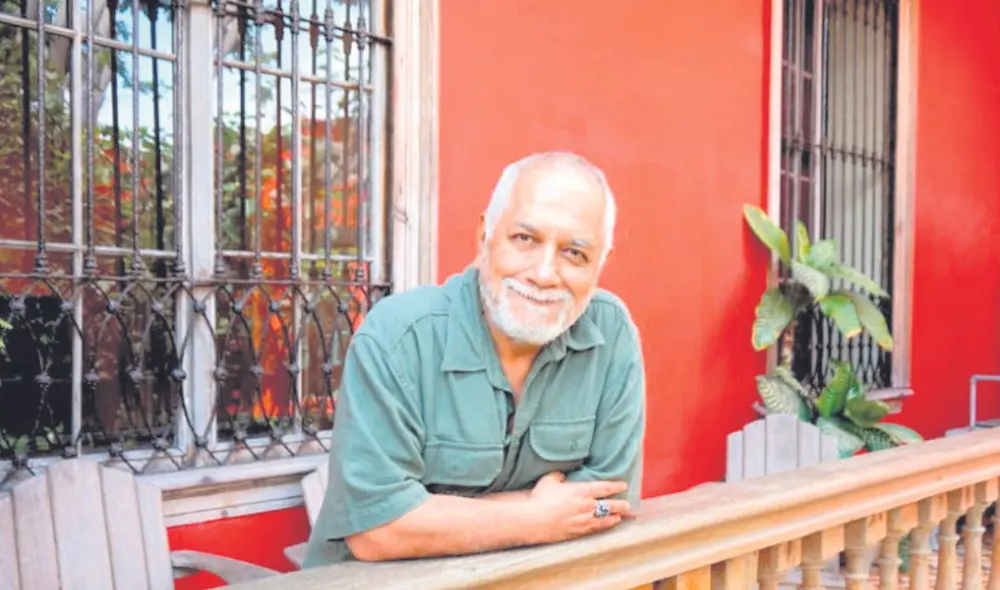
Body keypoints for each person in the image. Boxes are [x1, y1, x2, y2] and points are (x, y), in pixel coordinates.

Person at [301, 151, 646, 567]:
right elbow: (377, 530)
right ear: (485, 236)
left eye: (574, 253)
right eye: (525, 239)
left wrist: (433, 515)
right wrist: (535, 517)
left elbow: (612, 497)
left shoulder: (610, 334)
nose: (543, 274)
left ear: (601, 264)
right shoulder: (398, 337)